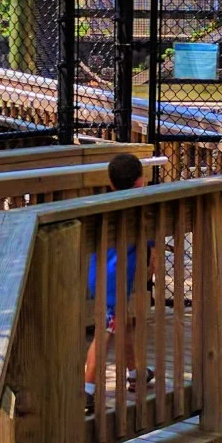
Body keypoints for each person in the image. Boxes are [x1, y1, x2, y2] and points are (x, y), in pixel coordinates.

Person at [85, 152, 147, 399]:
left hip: (98, 275)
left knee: (121, 323)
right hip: (116, 282)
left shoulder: (106, 208)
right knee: (105, 332)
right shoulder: (138, 213)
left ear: (110, 183)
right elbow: (150, 242)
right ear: (141, 182)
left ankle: (135, 373)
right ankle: (87, 387)